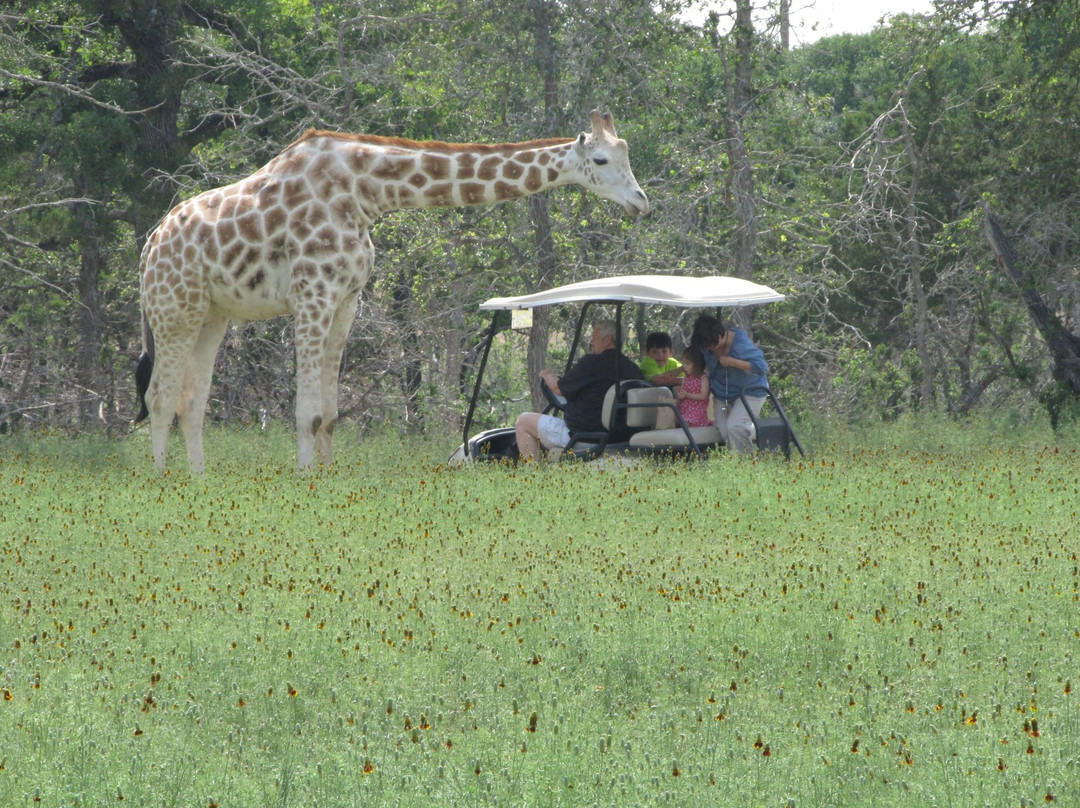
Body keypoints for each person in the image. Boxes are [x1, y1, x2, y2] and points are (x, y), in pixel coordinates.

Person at [514, 319, 643, 461]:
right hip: (618, 437)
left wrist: (547, 375)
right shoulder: (633, 369)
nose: (591, 341)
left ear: (608, 340)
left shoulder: (591, 363)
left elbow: (558, 388)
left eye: (595, 337)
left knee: (523, 421)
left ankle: (533, 477)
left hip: (582, 435)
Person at [690, 313, 768, 454]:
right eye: (707, 347)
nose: (712, 348)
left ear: (721, 335)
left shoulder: (740, 342)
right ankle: (735, 464)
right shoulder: (705, 346)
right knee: (726, 432)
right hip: (722, 396)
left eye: (714, 344)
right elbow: (693, 361)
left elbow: (761, 367)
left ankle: (746, 467)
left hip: (749, 392)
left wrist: (733, 362)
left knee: (735, 426)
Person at [674, 348, 712, 428]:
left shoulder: (703, 378)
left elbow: (703, 396)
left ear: (697, 364)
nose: (684, 367)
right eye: (683, 364)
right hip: (683, 409)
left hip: (696, 411)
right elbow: (682, 391)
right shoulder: (686, 378)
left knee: (686, 424)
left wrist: (687, 395)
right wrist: (680, 395)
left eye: (687, 364)